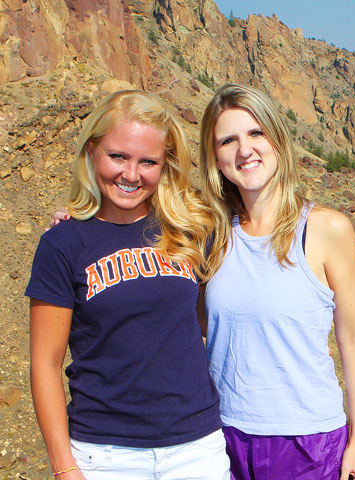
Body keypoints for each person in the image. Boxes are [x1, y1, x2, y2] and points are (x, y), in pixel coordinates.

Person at [26, 90, 230, 479]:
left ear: (165, 165)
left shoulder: (191, 229)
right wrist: (64, 467)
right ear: (91, 150)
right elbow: (45, 364)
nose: (131, 174)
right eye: (118, 156)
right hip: (105, 455)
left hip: (196, 449)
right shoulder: (63, 243)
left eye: (148, 161)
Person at [198, 84, 355, 480]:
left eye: (256, 133)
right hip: (222, 437)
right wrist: (81, 217)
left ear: (277, 138)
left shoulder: (325, 229)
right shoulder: (209, 235)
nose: (245, 150)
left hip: (307, 442)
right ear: (216, 158)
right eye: (228, 140)